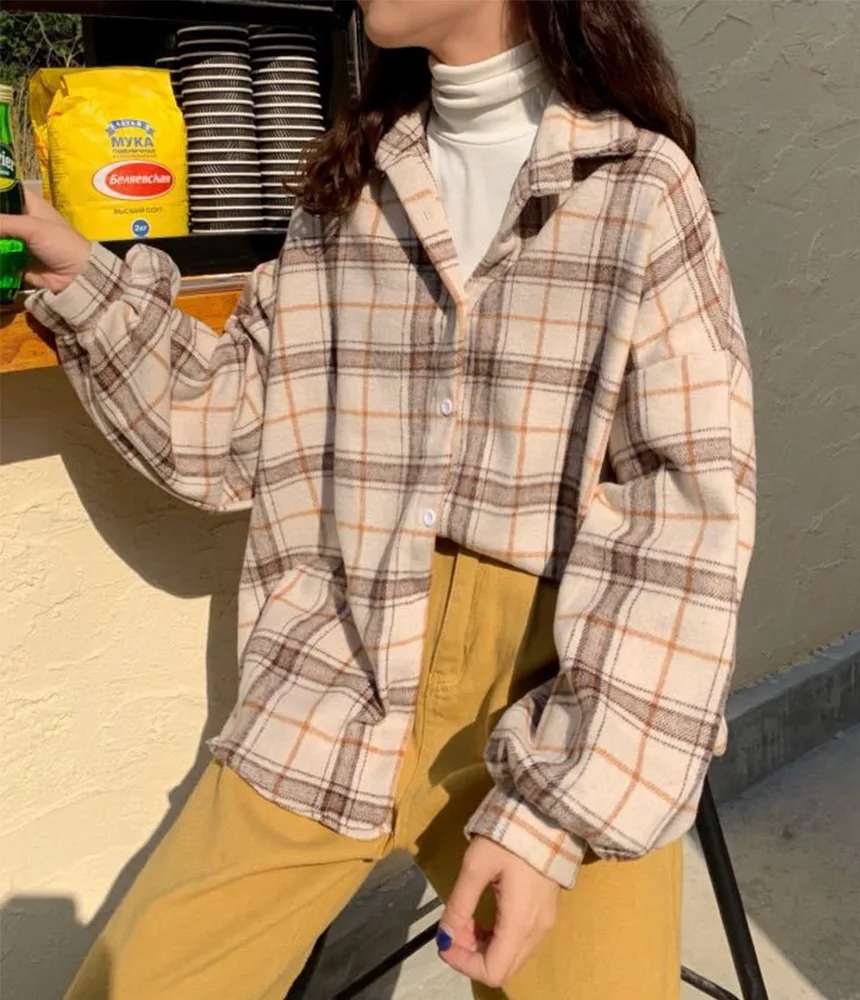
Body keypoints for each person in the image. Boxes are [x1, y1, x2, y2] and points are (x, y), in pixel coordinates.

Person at [1, 0, 756, 997]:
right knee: (137, 980)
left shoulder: (636, 187)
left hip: (553, 689)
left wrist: (552, 817)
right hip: (332, 657)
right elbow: (224, 434)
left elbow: (685, 519)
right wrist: (79, 275)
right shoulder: (345, 188)